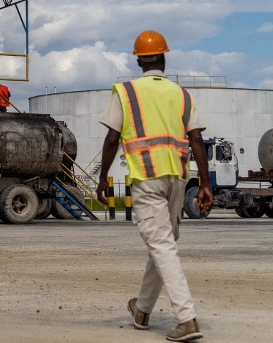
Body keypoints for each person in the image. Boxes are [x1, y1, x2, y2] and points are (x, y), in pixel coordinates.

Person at [95, 30, 213, 342]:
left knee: (161, 245)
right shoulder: (182, 95)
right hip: (176, 177)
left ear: (138, 61)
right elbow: (196, 139)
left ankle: (187, 319)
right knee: (163, 244)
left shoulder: (126, 92)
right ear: (164, 57)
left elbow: (111, 138)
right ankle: (142, 310)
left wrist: (103, 177)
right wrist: (204, 183)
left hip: (146, 178)